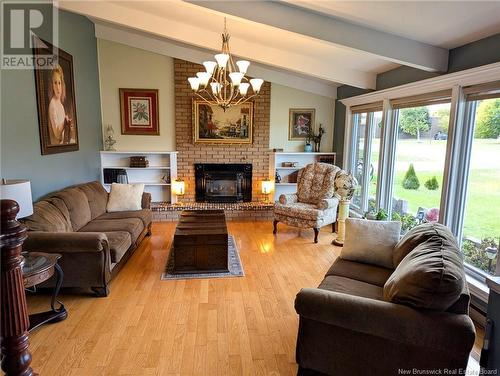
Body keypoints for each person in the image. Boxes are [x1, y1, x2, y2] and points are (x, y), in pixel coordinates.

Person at [48, 64, 74, 145]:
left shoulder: (61, 105)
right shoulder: (52, 104)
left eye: (59, 83)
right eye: (55, 83)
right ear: (52, 85)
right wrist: (64, 123)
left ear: (62, 85)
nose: (58, 87)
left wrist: (69, 128)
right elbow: (57, 135)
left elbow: (63, 133)